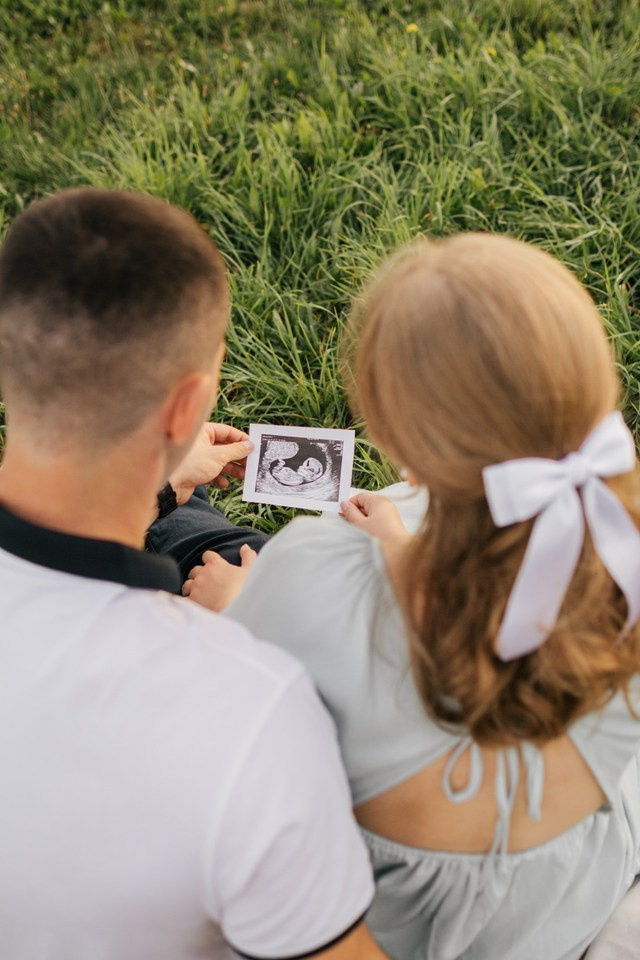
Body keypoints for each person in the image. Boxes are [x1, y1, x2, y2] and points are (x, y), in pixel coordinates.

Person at [183, 234, 640, 960]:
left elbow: (235, 720)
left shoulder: (310, 575)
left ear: (394, 435)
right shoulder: (619, 554)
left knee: (192, 541)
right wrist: (400, 548)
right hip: (564, 900)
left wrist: (235, 611)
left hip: (400, 926)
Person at [0, 188, 387, 960]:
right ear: (190, 405)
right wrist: (251, 625)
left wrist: (162, 486)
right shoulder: (253, 706)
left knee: (189, 522)